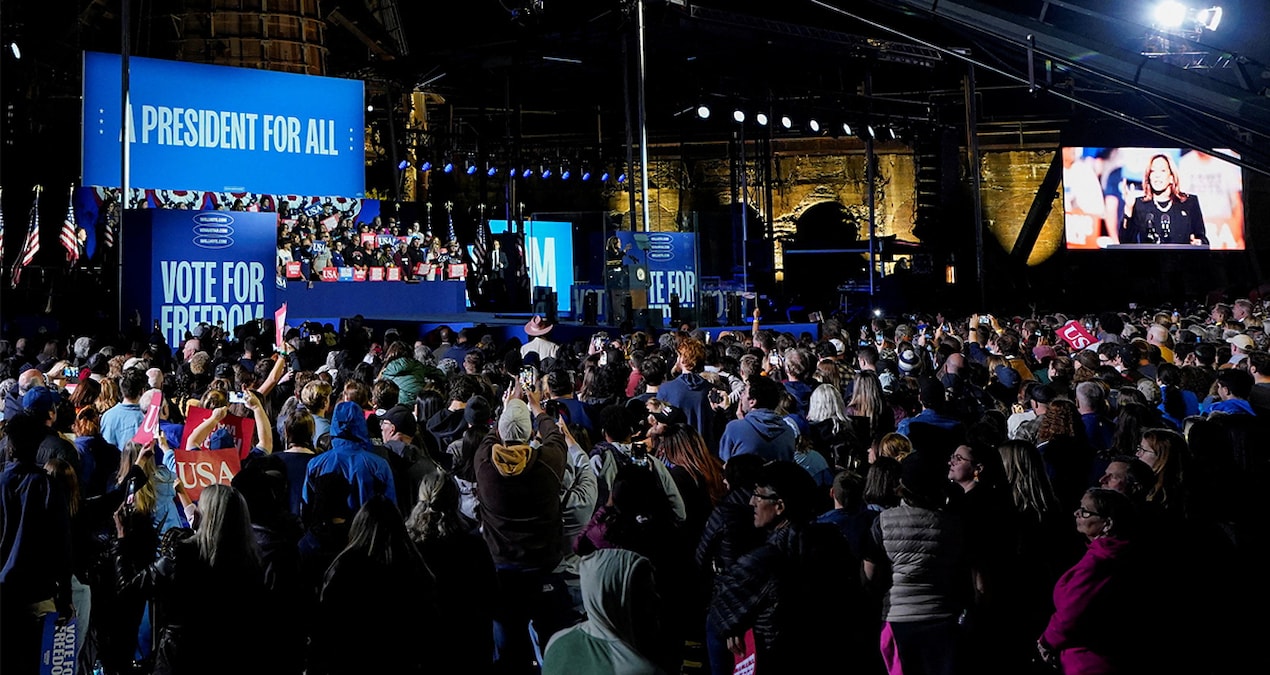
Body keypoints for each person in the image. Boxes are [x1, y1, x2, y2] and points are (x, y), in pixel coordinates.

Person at [112, 483, 272, 675]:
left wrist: (121, 542)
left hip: (179, 660)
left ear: (205, 517)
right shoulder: (253, 563)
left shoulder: (180, 556)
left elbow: (128, 591)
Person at [0, 413, 74, 675]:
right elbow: (61, 546)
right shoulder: (47, 487)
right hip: (37, 598)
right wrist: (65, 598)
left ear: (10, 445)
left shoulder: (2, 483)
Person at [1037, 488, 1140, 674]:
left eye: (1085, 511)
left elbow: (1070, 614)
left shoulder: (1099, 562)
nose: (1077, 514)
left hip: (1087, 662)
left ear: (1107, 523)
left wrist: (1047, 641)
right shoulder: (1122, 554)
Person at [542, 548, 665, 675]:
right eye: (643, 593)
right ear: (613, 598)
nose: (656, 598)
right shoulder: (638, 669)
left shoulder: (557, 641)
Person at [1122, 154, 1208, 246]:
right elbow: (1125, 242)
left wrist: (1198, 242)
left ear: (1171, 177)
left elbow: (1203, 240)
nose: (1157, 175)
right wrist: (1128, 209)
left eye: (1162, 170)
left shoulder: (1189, 203)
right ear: (1149, 177)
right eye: (1152, 171)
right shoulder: (1140, 204)